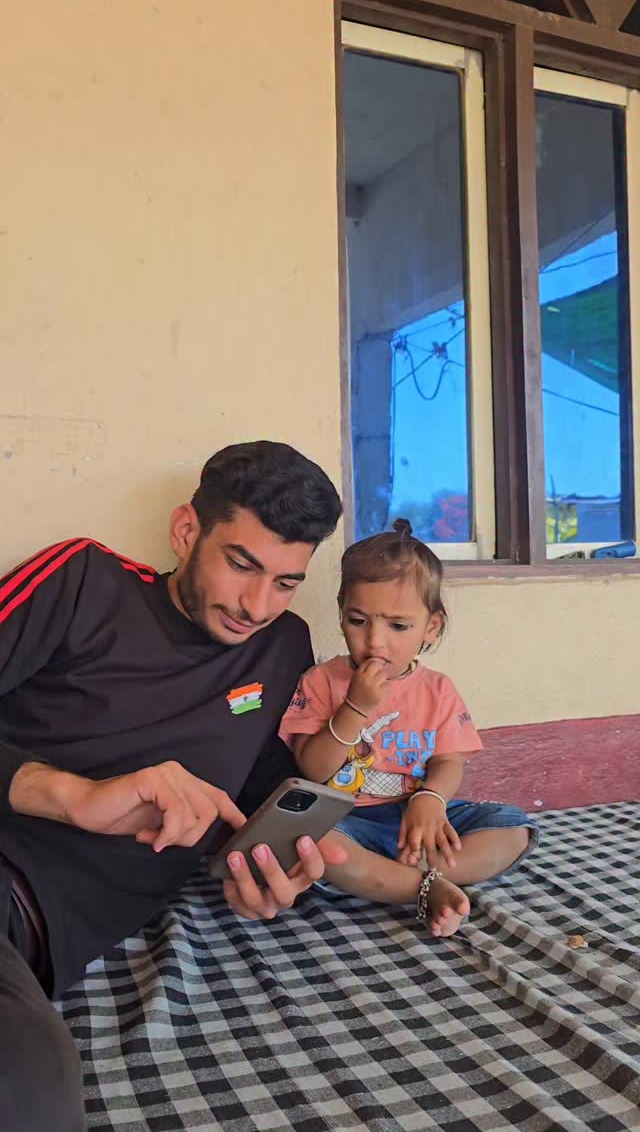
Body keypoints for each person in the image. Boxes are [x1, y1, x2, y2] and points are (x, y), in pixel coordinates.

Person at [0, 440, 344, 1131]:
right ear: (187, 531)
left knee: (31, 1084)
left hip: (33, 939)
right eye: (241, 564)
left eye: (285, 582)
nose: (257, 605)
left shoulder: (283, 649)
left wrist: (265, 872)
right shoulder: (83, 581)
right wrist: (70, 796)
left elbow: (258, 806)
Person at [280, 519, 538, 937]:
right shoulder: (321, 682)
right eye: (358, 621)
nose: (375, 641)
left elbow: (449, 761)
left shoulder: (437, 690)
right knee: (313, 841)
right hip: (348, 819)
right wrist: (355, 707)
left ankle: (393, 877)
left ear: (430, 627)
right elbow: (313, 769)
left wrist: (431, 800)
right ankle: (420, 885)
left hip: (418, 817)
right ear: (341, 614)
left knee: (514, 827)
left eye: (398, 626)